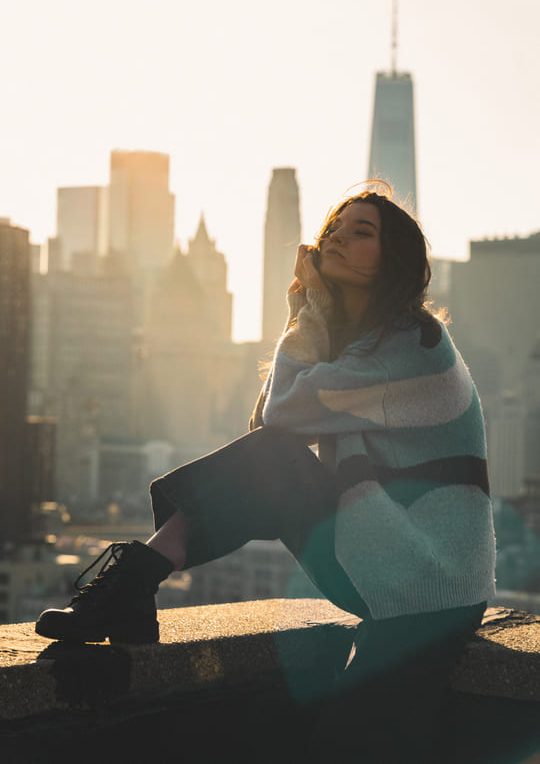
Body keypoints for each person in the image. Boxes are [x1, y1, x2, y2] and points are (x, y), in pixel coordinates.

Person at [35, 187, 496, 755]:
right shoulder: (358, 347)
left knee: (345, 746)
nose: (338, 237)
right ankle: (133, 582)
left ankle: (133, 582)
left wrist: (308, 313)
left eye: (362, 231)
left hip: (431, 583)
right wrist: (311, 318)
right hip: (377, 557)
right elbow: (270, 431)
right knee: (271, 462)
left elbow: (278, 421)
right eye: (336, 227)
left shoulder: (415, 345)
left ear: (394, 259)